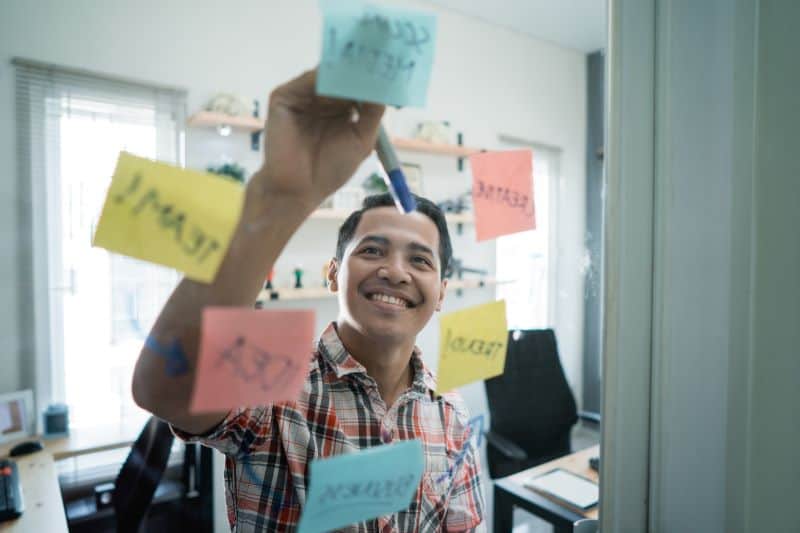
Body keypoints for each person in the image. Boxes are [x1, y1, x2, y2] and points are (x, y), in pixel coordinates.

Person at [132, 68, 485, 532]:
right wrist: (279, 198)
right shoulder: (274, 374)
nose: (395, 271)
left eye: (420, 260)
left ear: (441, 293)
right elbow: (163, 389)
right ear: (333, 274)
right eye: (373, 250)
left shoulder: (451, 412)